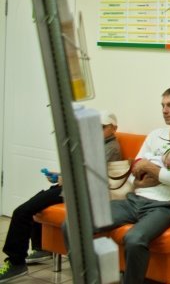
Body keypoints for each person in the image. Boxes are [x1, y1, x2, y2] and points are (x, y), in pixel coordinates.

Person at [0, 111, 122, 282]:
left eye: (102, 127)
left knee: (22, 211)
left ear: (114, 128)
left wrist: (67, 179)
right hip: (71, 187)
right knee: (36, 203)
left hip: (80, 192)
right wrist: (59, 175)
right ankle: (42, 248)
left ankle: (16, 262)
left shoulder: (111, 148)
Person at [109, 86, 170, 284]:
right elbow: (134, 173)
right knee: (80, 221)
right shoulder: (155, 135)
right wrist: (156, 173)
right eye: (162, 105)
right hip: (136, 200)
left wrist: (149, 168)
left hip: (168, 206)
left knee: (134, 239)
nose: (164, 110)